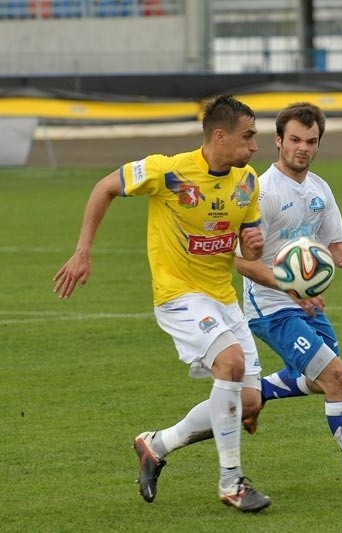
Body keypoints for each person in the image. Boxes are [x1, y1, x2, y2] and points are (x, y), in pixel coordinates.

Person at [52, 95, 272, 512]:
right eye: (249, 137)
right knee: (231, 364)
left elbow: (248, 242)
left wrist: (253, 241)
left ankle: (156, 444)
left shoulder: (247, 181)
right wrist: (82, 251)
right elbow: (105, 187)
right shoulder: (168, 170)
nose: (254, 147)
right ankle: (231, 483)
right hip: (178, 295)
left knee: (249, 402)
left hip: (222, 299)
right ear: (220, 136)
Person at [235, 102, 342, 492]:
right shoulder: (261, 193)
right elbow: (243, 264)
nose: (303, 148)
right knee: (338, 377)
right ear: (278, 141)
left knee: (319, 381)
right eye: (294, 139)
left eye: (311, 141)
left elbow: (333, 244)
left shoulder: (320, 189)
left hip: (306, 302)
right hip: (271, 308)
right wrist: (291, 288)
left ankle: (255, 394)